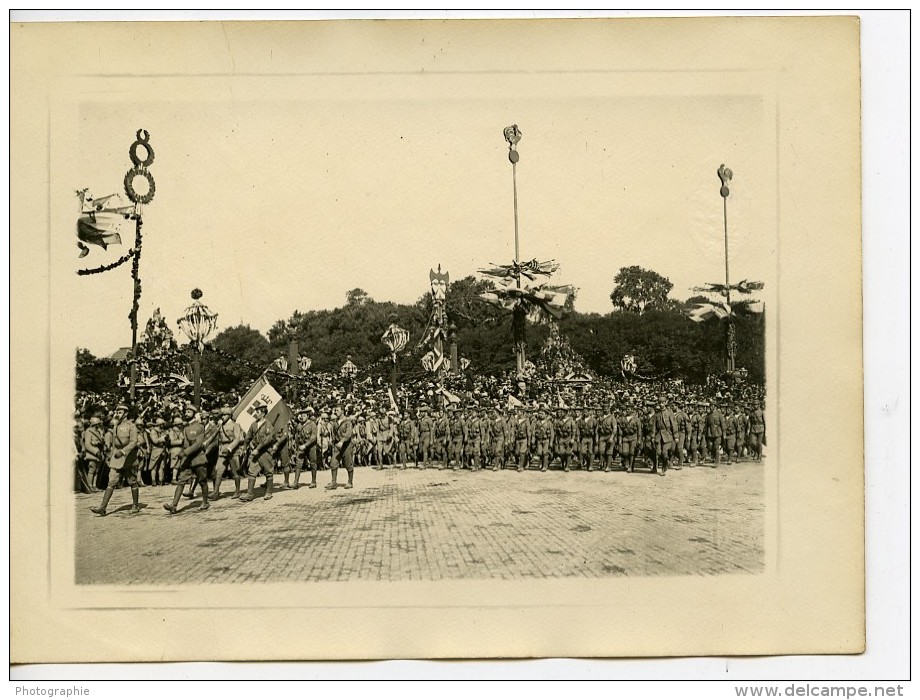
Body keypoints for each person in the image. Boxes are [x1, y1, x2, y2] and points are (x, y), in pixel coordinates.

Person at [91, 403, 141, 516]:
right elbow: (113, 443)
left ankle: (135, 505)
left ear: (126, 413)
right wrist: (111, 455)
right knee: (111, 481)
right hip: (116, 458)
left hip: (129, 458)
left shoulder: (131, 426)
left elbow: (133, 442)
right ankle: (102, 507)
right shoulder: (115, 425)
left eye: (120, 412)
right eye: (117, 412)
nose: (117, 414)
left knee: (132, 482)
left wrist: (123, 451)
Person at [164, 405, 216, 513]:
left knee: (202, 481)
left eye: (189, 412)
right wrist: (182, 453)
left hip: (198, 458)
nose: (186, 413)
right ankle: (174, 505)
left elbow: (198, 444)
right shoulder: (186, 428)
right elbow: (185, 444)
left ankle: (205, 502)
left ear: (194, 413)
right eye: (186, 411)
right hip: (187, 460)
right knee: (181, 481)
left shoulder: (199, 427)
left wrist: (185, 452)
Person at [240, 403, 277, 502]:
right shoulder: (254, 424)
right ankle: (250, 493)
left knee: (268, 472)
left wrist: (258, 449)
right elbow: (248, 436)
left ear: (264, 413)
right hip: (255, 452)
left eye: (258, 412)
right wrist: (245, 447)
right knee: (251, 472)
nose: (256, 414)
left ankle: (269, 492)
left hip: (265, 452)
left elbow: (267, 440)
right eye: (256, 412)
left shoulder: (268, 425)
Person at [215, 407, 245, 498]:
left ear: (229, 415)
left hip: (233, 450)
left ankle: (237, 491)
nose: (222, 417)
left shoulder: (235, 425)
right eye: (222, 415)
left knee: (235, 471)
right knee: (218, 470)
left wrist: (230, 448)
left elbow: (237, 439)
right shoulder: (220, 426)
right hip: (222, 450)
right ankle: (216, 491)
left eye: (224, 415)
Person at [327, 404, 355, 490]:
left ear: (342, 411)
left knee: (348, 464)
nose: (336, 412)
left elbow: (348, 434)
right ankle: (333, 482)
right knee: (333, 463)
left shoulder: (348, 422)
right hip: (337, 446)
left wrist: (342, 441)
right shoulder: (335, 423)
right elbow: (334, 434)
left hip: (346, 445)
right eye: (335, 410)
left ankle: (350, 482)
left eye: (338, 410)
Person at [81, 411, 107, 493]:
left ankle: (94, 486)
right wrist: (96, 452)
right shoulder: (89, 432)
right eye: (98, 423)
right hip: (92, 455)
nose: (99, 425)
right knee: (92, 470)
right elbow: (87, 445)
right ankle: (90, 486)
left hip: (99, 454)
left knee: (97, 471)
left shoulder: (98, 432)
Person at [294, 407, 320, 488]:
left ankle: (313, 481)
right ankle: (295, 482)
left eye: (304, 415)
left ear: (308, 416)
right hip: (301, 446)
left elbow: (313, 437)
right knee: (298, 464)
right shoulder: (299, 425)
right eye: (301, 415)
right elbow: (297, 436)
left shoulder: (312, 424)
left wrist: (305, 445)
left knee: (313, 463)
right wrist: (297, 446)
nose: (302, 417)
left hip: (310, 446)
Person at [619, 401, 642, 473]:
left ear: (632, 410)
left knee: (632, 452)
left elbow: (639, 430)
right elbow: (621, 428)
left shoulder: (636, 419)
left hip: (633, 437)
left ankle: (631, 466)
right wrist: (620, 438)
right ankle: (627, 463)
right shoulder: (623, 418)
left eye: (629, 409)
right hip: (625, 437)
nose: (627, 410)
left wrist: (639, 439)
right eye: (627, 409)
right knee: (625, 452)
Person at [704, 401, 727, 467]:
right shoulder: (708, 415)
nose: (711, 407)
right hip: (710, 432)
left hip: (717, 432)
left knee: (716, 446)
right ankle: (713, 457)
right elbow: (706, 425)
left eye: (712, 406)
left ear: (715, 407)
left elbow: (723, 425)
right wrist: (705, 434)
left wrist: (724, 433)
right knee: (710, 446)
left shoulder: (719, 415)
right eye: (710, 406)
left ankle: (717, 461)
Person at [147, 417, 168, 487]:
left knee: (162, 466)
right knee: (154, 466)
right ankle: (153, 480)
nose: (163, 425)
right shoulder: (153, 432)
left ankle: (160, 480)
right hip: (156, 450)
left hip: (163, 450)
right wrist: (163, 438)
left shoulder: (163, 431)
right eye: (162, 424)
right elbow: (155, 441)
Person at [555, 407, 577, 472]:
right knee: (561, 452)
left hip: (568, 438)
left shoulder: (571, 421)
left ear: (566, 413)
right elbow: (556, 431)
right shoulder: (559, 421)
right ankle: (563, 464)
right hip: (561, 438)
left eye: (562, 412)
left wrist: (573, 439)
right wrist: (557, 439)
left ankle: (567, 466)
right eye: (560, 412)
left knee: (568, 453)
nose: (561, 413)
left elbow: (574, 431)